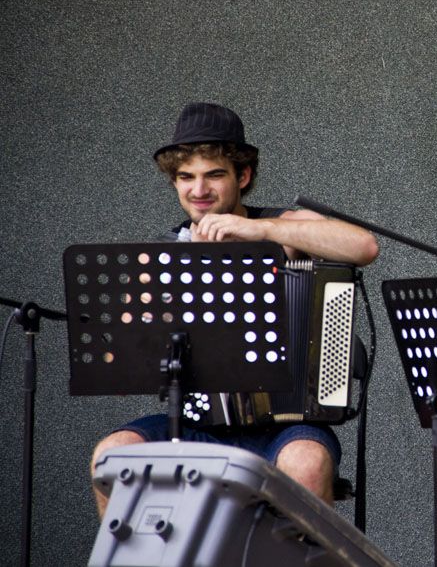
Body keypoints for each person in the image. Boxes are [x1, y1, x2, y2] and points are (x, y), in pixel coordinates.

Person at [90, 102, 379, 517]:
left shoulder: (283, 227)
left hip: (285, 427)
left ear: (242, 176)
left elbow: (364, 247)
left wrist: (259, 229)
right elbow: (119, 358)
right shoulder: (162, 255)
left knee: (307, 464)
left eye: (214, 175)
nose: (199, 190)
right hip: (192, 425)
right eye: (186, 177)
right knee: (112, 457)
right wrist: (127, 349)